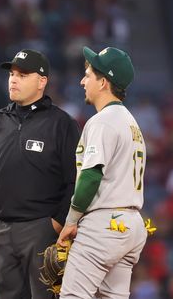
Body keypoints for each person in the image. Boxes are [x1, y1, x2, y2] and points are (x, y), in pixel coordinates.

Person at [0, 49, 80, 298]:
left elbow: (75, 180)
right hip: (0, 230)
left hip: (41, 231)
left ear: (42, 81)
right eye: (12, 74)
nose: (13, 79)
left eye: (22, 74)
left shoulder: (62, 124)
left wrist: (55, 222)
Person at [56, 46, 147, 299]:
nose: (82, 81)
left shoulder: (103, 121)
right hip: (130, 225)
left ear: (104, 82)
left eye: (88, 75)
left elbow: (92, 175)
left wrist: (71, 220)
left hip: (105, 224)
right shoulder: (131, 123)